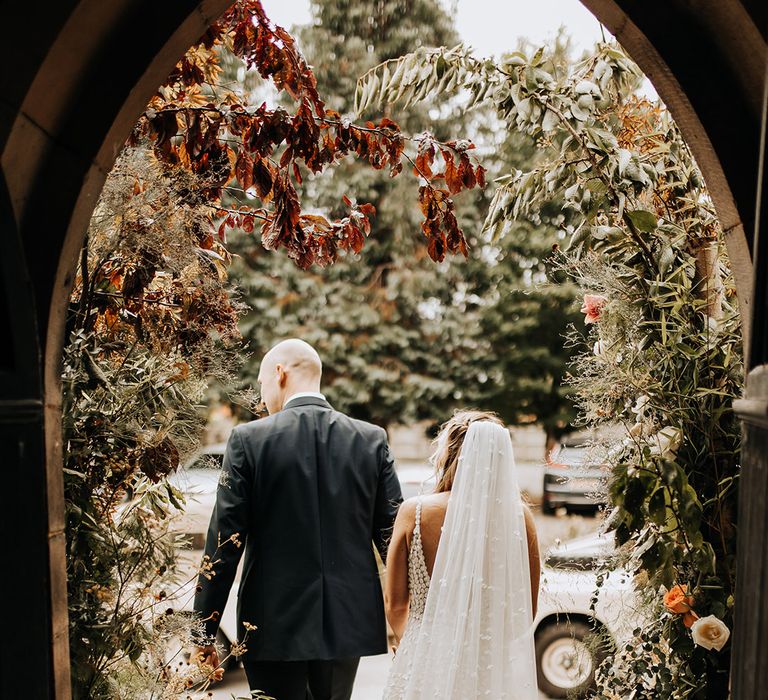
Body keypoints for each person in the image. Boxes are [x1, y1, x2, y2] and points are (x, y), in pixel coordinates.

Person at [193, 339, 403, 700]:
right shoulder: (370, 440)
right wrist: (408, 621)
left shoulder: (249, 441)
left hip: (270, 624)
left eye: (261, 384)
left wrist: (202, 631)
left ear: (280, 373)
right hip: (345, 623)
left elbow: (225, 544)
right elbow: (393, 538)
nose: (261, 398)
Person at [382, 410, 541, 699]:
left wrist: (416, 647)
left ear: (450, 455)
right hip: (489, 666)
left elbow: (394, 604)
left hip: (424, 658)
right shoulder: (521, 518)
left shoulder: (415, 512)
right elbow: (525, 610)